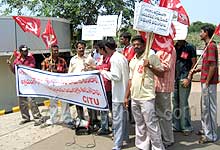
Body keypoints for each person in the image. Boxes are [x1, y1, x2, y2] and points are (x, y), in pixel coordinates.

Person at [124, 35, 165, 150]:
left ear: (144, 45)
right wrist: (126, 97)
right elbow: (130, 80)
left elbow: (161, 74)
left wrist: (150, 66)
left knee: (151, 124)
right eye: (134, 45)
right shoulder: (133, 60)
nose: (136, 46)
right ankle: (143, 146)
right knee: (139, 124)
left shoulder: (151, 56)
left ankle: (157, 147)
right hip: (135, 97)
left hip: (147, 97)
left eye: (138, 44)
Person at [190, 25, 218, 144]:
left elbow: (213, 66)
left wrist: (207, 82)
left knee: (209, 108)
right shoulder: (207, 46)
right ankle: (206, 129)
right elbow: (207, 65)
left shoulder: (211, 46)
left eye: (201, 32)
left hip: (209, 83)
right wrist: (198, 70)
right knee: (204, 107)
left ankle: (211, 135)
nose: (200, 34)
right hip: (205, 81)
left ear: (206, 33)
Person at [100, 39, 129, 150]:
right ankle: (124, 138)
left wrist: (103, 72)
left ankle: (117, 144)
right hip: (124, 92)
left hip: (118, 94)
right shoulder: (121, 57)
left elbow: (116, 76)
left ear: (107, 48)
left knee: (117, 120)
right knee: (124, 119)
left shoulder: (114, 59)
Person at [7, 44, 42, 125]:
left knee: (31, 101)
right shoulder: (16, 60)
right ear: (20, 52)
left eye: (27, 50)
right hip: (21, 84)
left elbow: (32, 67)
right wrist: (10, 65)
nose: (26, 51)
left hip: (29, 84)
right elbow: (15, 72)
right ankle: (25, 117)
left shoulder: (31, 58)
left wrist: (21, 67)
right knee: (22, 102)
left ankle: (38, 117)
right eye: (24, 50)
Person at [68, 40, 99, 130]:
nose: (81, 49)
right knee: (79, 105)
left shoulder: (89, 59)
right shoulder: (73, 60)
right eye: (79, 48)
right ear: (76, 49)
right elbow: (70, 73)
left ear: (85, 48)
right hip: (77, 87)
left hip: (88, 86)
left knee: (90, 104)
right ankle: (81, 121)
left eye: (82, 48)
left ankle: (93, 121)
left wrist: (88, 69)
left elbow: (95, 70)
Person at [40, 44, 72, 127]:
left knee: (65, 102)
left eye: (57, 50)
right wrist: (48, 69)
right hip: (52, 86)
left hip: (61, 85)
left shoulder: (62, 61)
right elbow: (42, 74)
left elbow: (66, 72)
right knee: (53, 103)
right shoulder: (46, 61)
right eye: (54, 51)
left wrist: (56, 71)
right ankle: (53, 119)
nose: (56, 52)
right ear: (51, 51)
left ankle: (67, 119)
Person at [88, 40, 112, 135]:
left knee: (112, 109)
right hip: (102, 87)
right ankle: (104, 127)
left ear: (103, 49)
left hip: (109, 88)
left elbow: (105, 68)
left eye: (98, 49)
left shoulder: (110, 58)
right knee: (103, 108)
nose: (98, 52)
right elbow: (100, 66)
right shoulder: (103, 58)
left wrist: (95, 68)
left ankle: (115, 128)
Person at [172, 40, 197, 135]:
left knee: (183, 102)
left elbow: (194, 63)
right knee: (175, 102)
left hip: (184, 76)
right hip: (175, 77)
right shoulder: (174, 47)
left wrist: (189, 77)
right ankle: (176, 125)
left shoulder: (190, 47)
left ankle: (186, 127)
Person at [154, 49, 176, 147]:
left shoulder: (169, 49)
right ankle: (162, 137)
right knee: (158, 114)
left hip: (164, 86)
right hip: (156, 86)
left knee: (164, 115)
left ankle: (168, 139)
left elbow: (165, 66)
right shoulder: (158, 49)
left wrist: (151, 65)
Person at [120, 31, 136, 124]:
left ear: (126, 39)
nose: (120, 40)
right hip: (125, 74)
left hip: (130, 74)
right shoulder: (124, 49)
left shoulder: (131, 49)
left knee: (129, 96)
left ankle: (132, 117)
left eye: (122, 39)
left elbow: (128, 61)